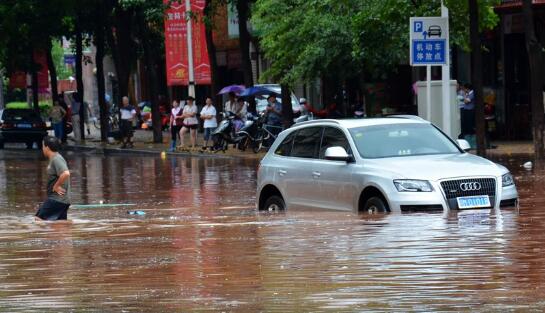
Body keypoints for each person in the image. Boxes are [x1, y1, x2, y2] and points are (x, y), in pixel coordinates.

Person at [35, 136, 71, 221]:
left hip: (57, 199)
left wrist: (56, 186)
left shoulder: (56, 159)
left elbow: (66, 173)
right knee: (60, 223)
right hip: (62, 200)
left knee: (38, 219)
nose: (42, 148)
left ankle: (42, 234)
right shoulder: (54, 159)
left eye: (43, 146)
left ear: (47, 147)